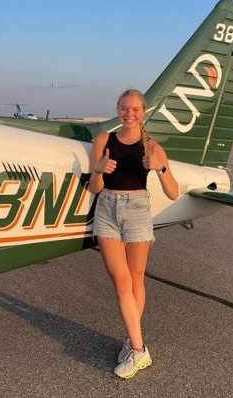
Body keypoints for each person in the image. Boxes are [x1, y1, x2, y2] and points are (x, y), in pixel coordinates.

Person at [89, 88, 179, 379]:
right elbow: (94, 187)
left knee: (136, 279)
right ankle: (139, 349)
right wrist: (100, 170)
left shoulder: (152, 147)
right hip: (107, 210)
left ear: (144, 112)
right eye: (124, 109)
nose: (129, 114)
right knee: (121, 281)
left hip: (138, 210)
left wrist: (160, 168)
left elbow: (173, 191)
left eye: (135, 109)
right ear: (117, 109)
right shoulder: (104, 140)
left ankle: (134, 345)